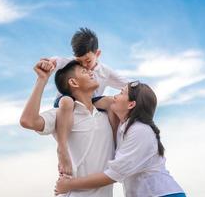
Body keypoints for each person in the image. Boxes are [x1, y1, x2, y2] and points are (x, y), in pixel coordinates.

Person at [55, 81, 186, 197]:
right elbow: (93, 102)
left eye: (121, 93)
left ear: (131, 105)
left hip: (163, 194)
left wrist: (70, 185)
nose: (115, 96)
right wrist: (68, 102)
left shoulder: (140, 131)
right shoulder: (124, 126)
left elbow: (113, 174)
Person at [20, 59, 117, 197]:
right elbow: (27, 121)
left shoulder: (106, 114)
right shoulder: (63, 115)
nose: (91, 73)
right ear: (73, 82)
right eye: (84, 71)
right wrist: (42, 80)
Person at [50, 28, 128, 175]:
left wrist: (140, 90)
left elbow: (126, 84)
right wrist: (49, 63)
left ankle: (115, 145)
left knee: (112, 102)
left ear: (97, 54)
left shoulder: (105, 71)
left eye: (88, 61)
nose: (84, 66)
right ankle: (61, 148)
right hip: (67, 99)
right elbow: (57, 60)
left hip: (90, 101)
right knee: (67, 102)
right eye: (80, 61)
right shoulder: (73, 63)